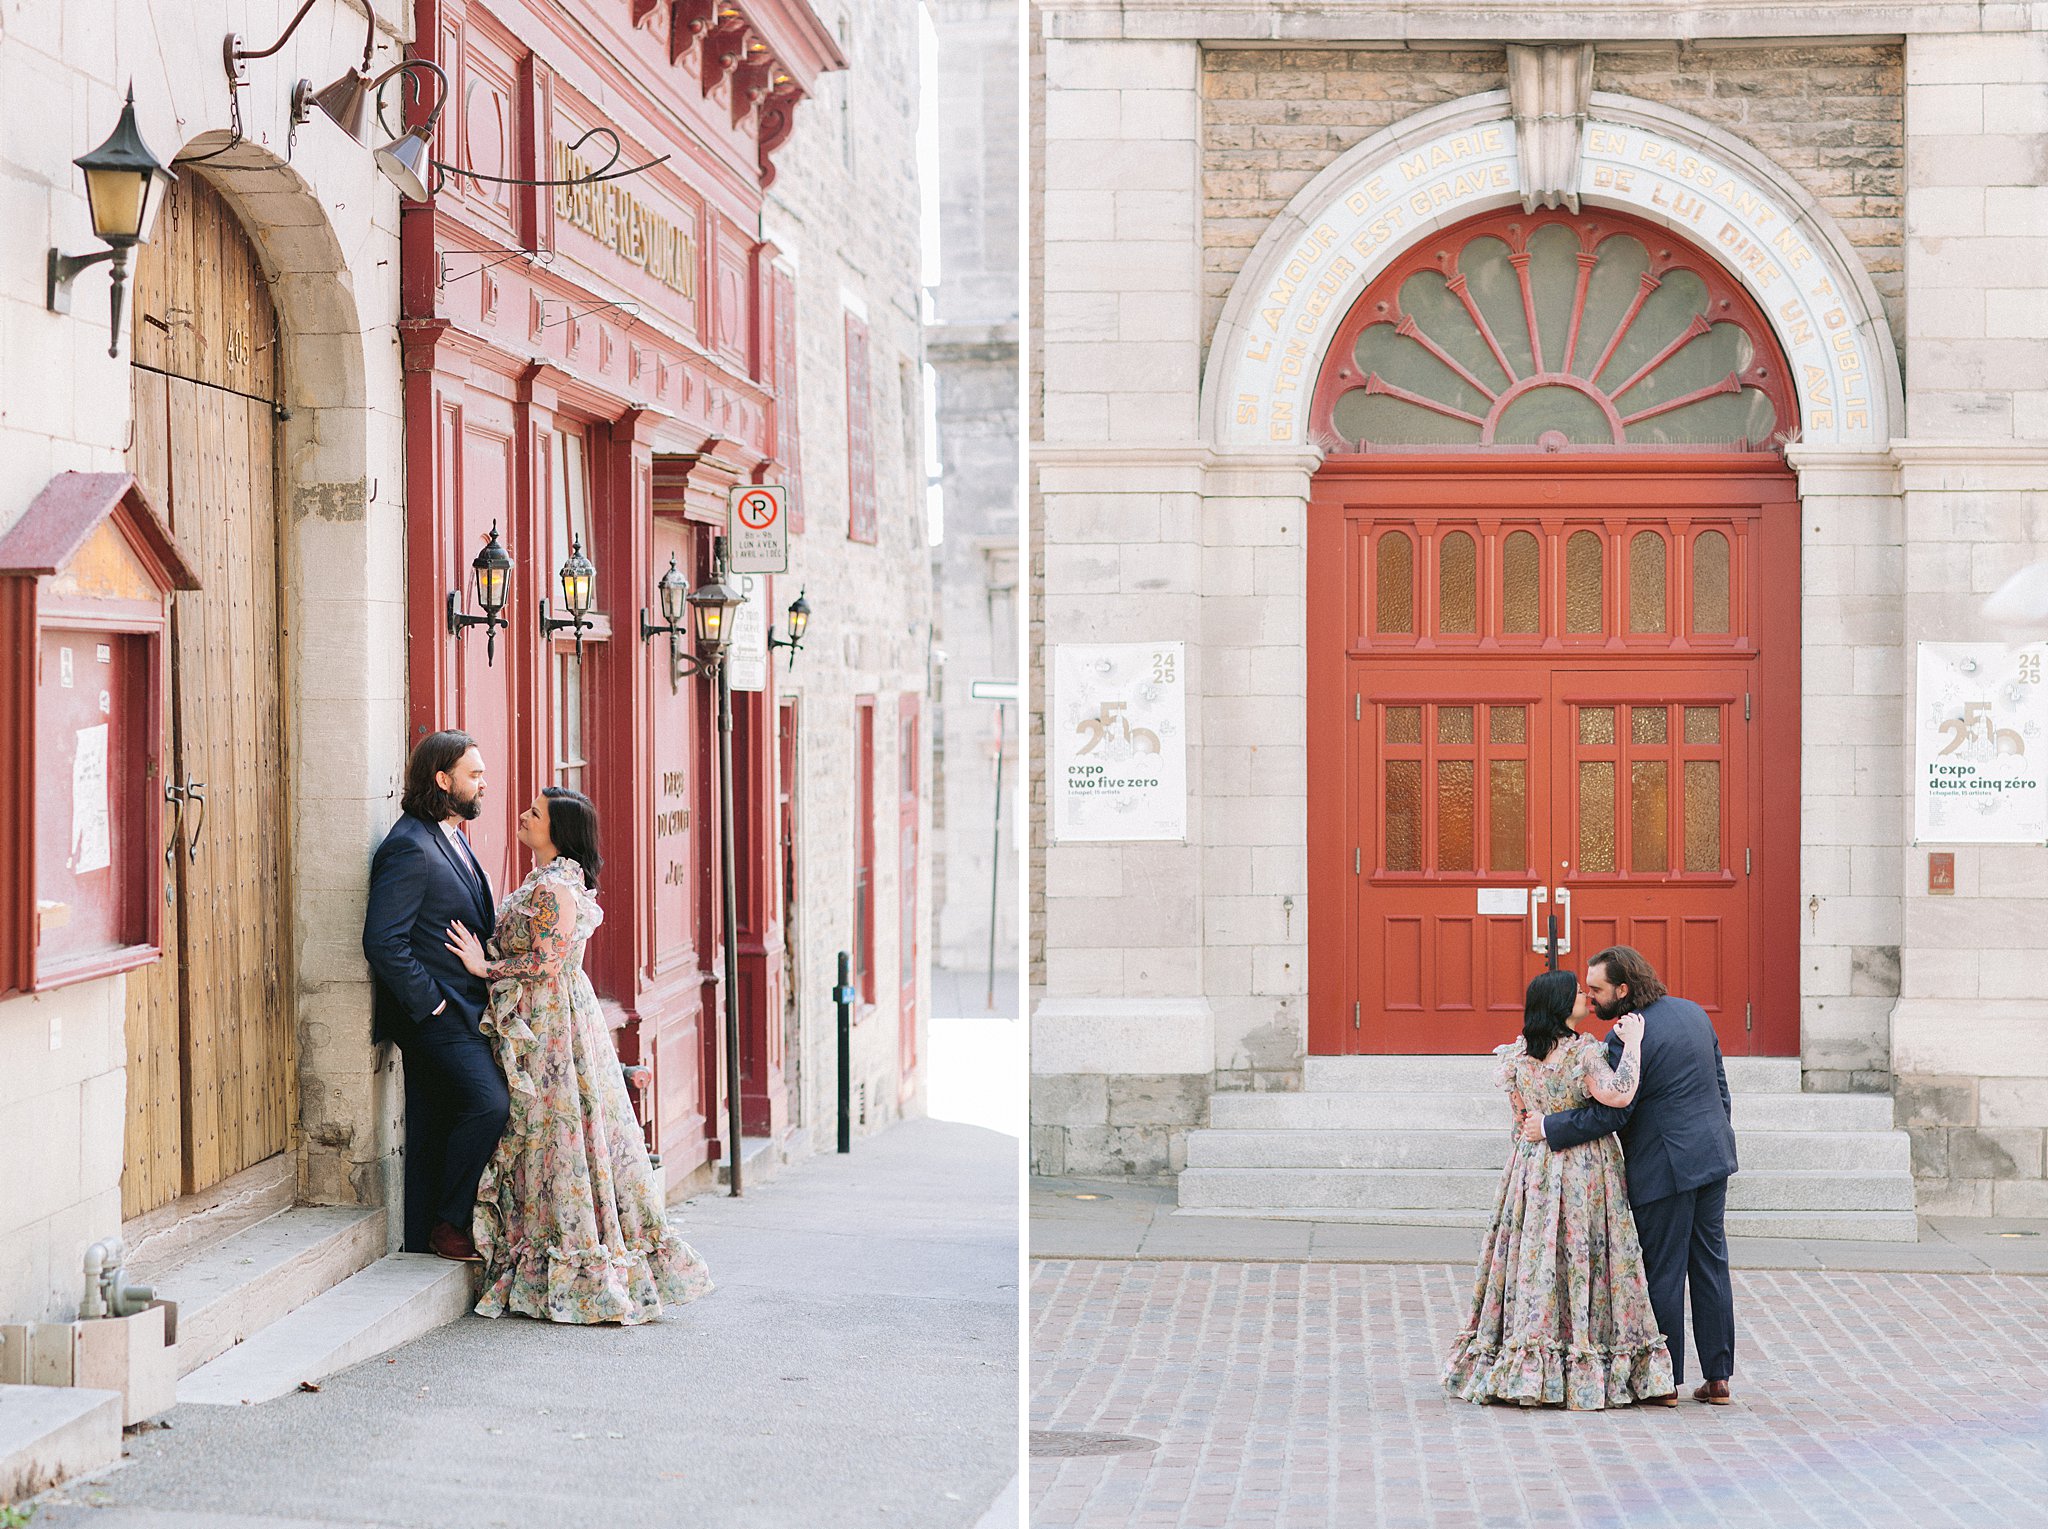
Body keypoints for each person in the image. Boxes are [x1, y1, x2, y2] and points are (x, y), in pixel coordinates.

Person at [444, 786, 713, 1324]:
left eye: (535, 814)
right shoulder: (544, 880)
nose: (523, 815)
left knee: (555, 1133)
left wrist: (483, 968)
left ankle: (577, 1270)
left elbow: (546, 963)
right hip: (542, 1018)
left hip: (552, 1026)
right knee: (542, 1136)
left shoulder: (558, 889)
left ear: (559, 832)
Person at [1444, 968, 1676, 1410]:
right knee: (1584, 1256)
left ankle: (1529, 1360)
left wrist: (1536, 1137)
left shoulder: (1517, 1057)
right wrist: (1634, 1046)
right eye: (1576, 994)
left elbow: (1520, 1118)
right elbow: (1620, 1094)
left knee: (1535, 1258)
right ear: (1558, 1005)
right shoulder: (1584, 1053)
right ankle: (1582, 1362)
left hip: (1531, 1168)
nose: (1585, 997)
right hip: (1584, 1169)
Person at [1523, 945, 1740, 1405]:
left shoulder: (1625, 1038)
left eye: (1598, 989)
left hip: (1665, 1165)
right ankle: (1718, 1377)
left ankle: (1665, 1382)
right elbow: (1720, 1085)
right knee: (1710, 1264)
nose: (1591, 997)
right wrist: (1718, 1130)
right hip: (1712, 1154)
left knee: (1662, 1269)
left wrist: (1548, 1126)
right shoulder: (1693, 1013)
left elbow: (1612, 1115)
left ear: (1624, 990)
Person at [362, 731, 511, 1262]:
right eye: (474, 774)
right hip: (435, 1015)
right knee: (490, 1103)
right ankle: (450, 1224)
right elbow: (383, 940)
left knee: (437, 1116)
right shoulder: (409, 845)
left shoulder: (450, 834)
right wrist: (433, 1003)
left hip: (465, 1006)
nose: (484, 782)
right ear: (442, 780)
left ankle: (428, 1227)